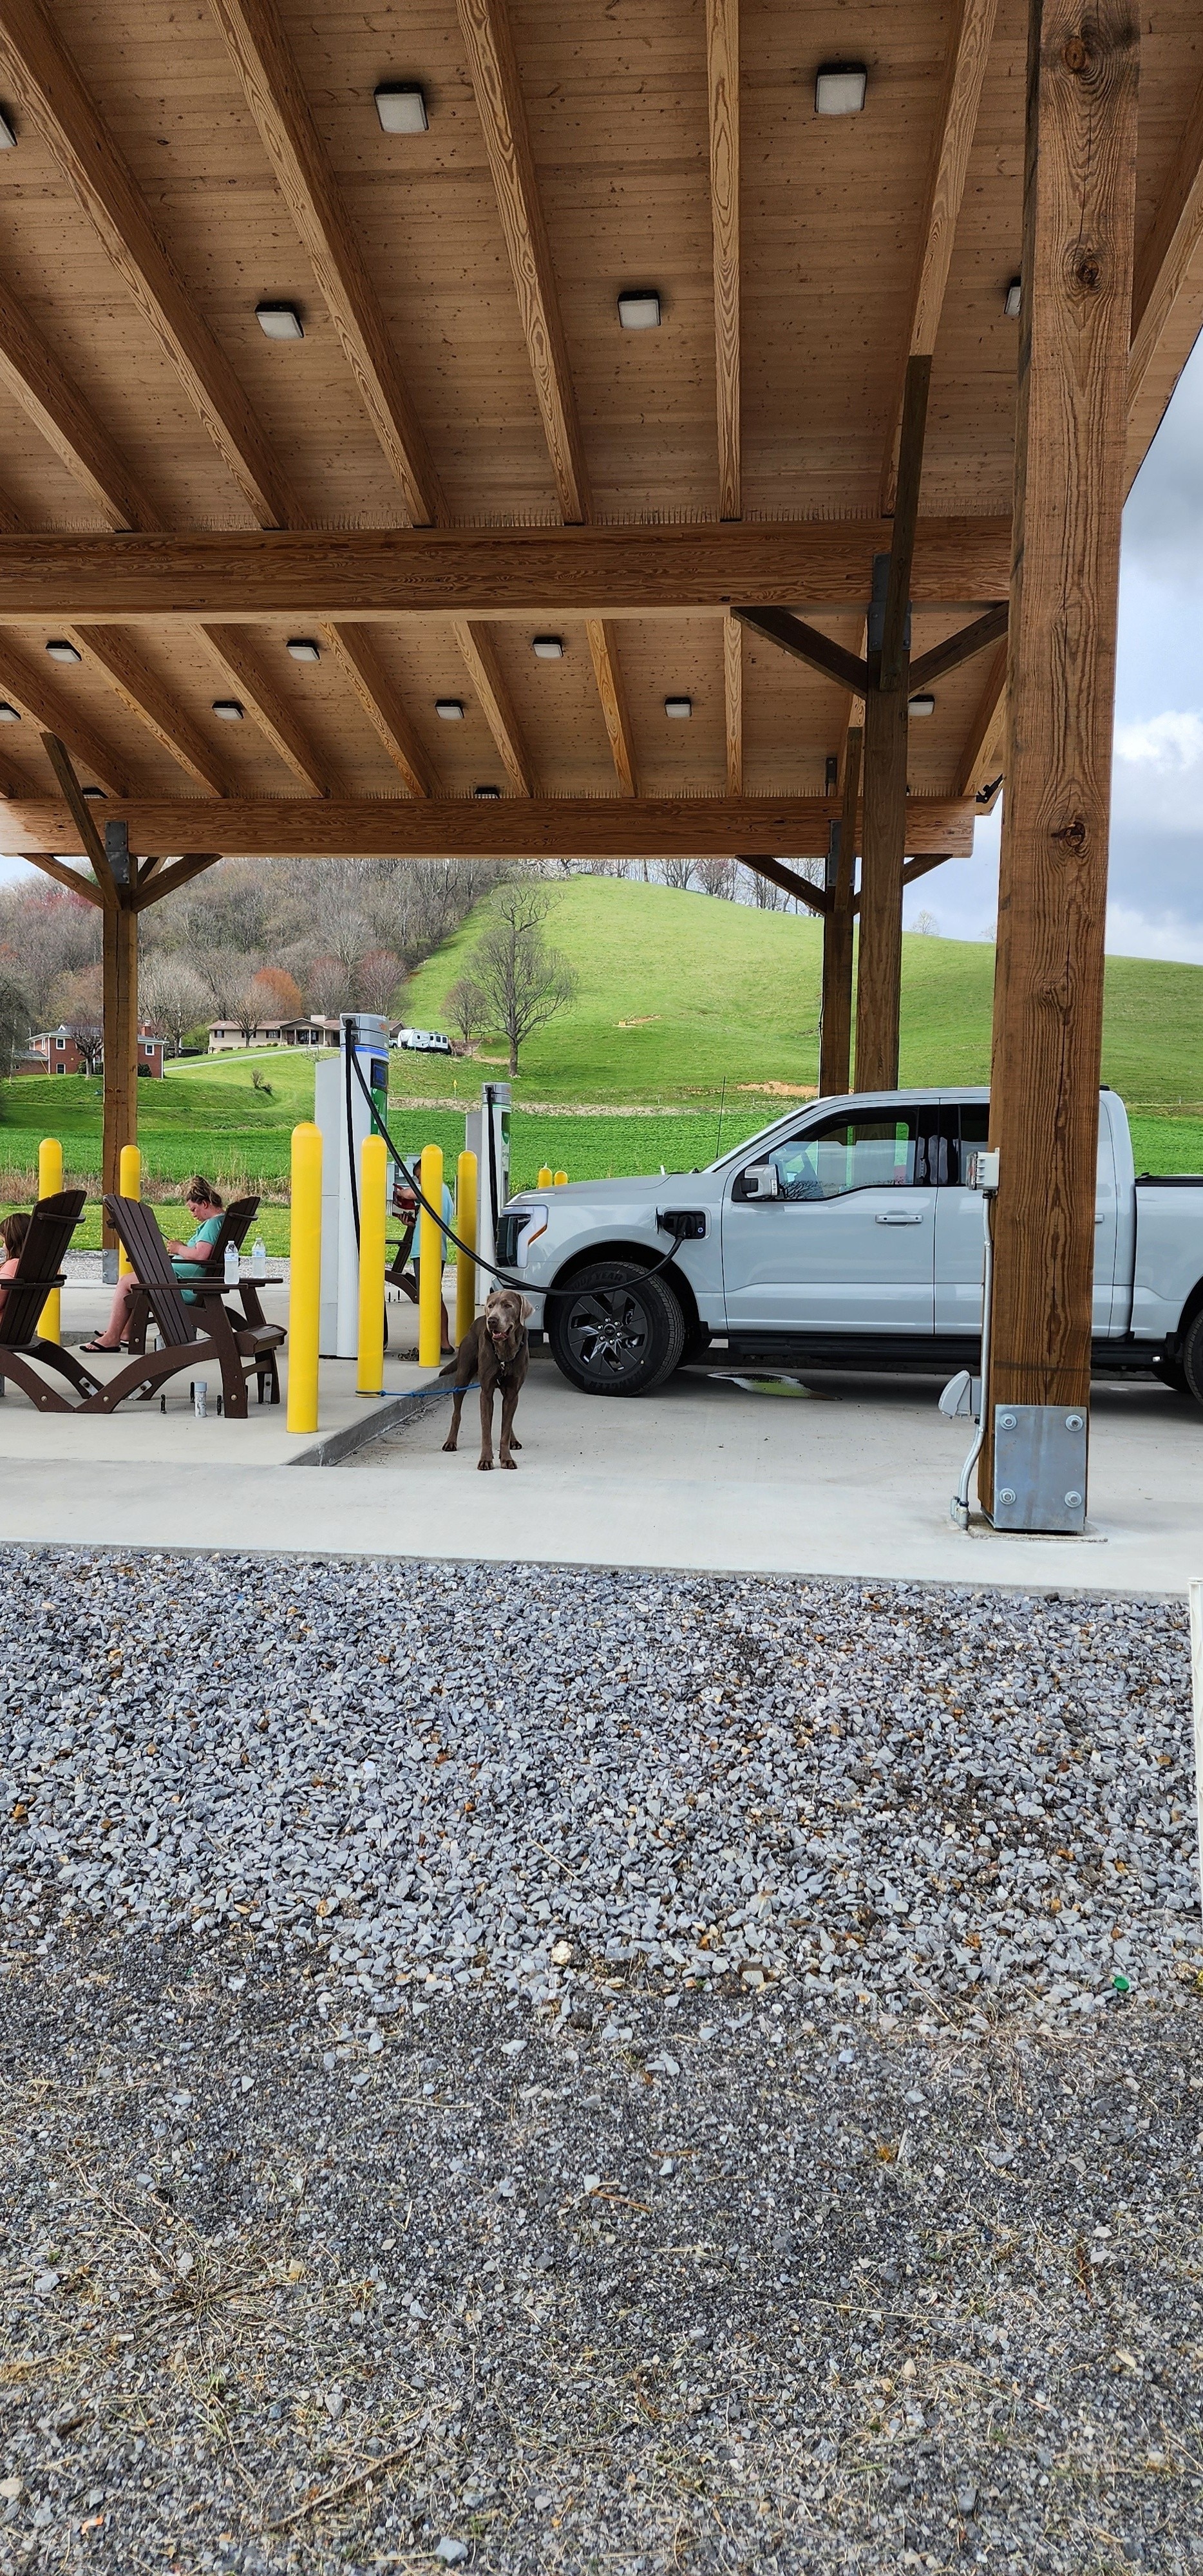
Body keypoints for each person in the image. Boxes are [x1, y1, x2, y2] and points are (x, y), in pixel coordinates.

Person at [82, 1177, 225, 1353]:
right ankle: (126, 1333)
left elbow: (201, 1255)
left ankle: (112, 1336)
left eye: (194, 1209)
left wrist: (179, 1248)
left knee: (126, 1282)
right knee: (139, 1280)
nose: (193, 1214)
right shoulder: (221, 1221)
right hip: (186, 1282)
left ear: (205, 1204)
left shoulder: (211, 1224)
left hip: (181, 1287)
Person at [0, 1210, 30, 1321]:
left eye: (4, 1242)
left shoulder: (13, 1265)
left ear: (13, 1241)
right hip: (14, 1326)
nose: (3, 1247)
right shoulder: (30, 1266)